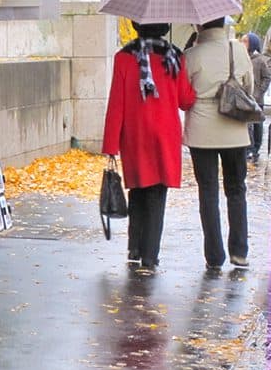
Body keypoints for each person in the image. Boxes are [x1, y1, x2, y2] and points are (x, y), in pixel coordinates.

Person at [102, 21, 196, 269]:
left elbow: (116, 103)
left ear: (137, 27)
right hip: (165, 134)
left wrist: (111, 144)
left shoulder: (123, 57)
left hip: (135, 134)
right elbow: (185, 100)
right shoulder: (175, 57)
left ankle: (134, 247)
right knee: (157, 193)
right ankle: (150, 255)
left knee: (137, 188)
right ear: (164, 27)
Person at [183, 17, 254, 269]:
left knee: (208, 192)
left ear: (199, 25)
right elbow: (249, 87)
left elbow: (184, 96)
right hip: (234, 128)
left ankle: (214, 256)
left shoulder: (191, 54)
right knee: (236, 189)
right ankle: (239, 251)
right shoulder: (238, 50)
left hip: (201, 131)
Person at [240, 31, 270, 163]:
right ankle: (248, 148)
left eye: (245, 41)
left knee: (257, 124)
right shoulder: (241, 58)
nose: (242, 43)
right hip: (246, 97)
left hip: (257, 98)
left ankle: (256, 148)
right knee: (247, 124)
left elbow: (267, 77)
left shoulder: (260, 60)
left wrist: (259, 92)